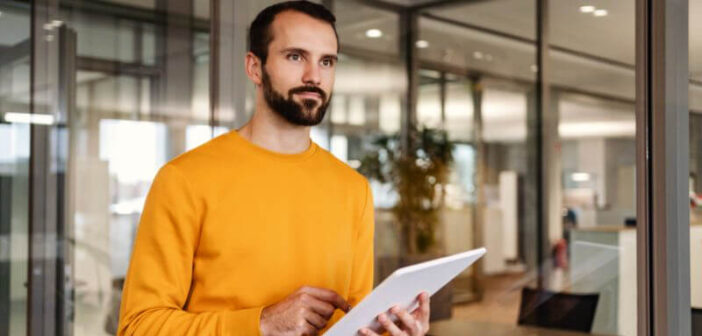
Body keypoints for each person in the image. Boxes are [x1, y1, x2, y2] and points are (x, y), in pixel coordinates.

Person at [117, 1, 430, 335]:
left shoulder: (353, 188)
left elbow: (355, 320)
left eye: (327, 61)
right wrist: (261, 323)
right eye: (295, 56)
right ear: (254, 67)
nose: (314, 76)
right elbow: (139, 326)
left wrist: (390, 329)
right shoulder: (184, 179)